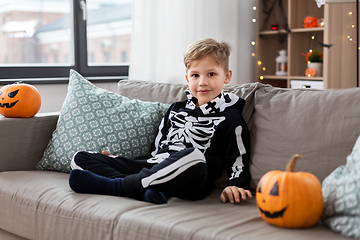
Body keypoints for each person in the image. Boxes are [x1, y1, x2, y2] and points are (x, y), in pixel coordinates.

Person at [69, 38, 252, 204]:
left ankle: (117, 186)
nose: (202, 82)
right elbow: (156, 152)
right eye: (195, 75)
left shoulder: (231, 117)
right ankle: (145, 191)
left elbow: (238, 160)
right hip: (156, 167)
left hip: (193, 178)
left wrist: (235, 184)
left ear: (227, 76)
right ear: (187, 79)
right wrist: (121, 160)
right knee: (80, 157)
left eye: (211, 74)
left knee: (194, 155)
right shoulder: (175, 109)